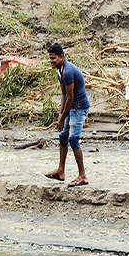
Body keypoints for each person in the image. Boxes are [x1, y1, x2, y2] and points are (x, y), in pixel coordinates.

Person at [46, 43, 90, 187]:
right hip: (72, 107)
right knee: (63, 136)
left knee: (73, 139)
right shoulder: (60, 71)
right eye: (50, 59)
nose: (51, 61)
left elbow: (70, 97)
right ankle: (61, 171)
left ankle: (83, 175)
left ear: (61, 57)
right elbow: (64, 94)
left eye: (53, 59)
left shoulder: (68, 71)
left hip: (79, 107)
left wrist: (63, 117)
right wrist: (60, 115)